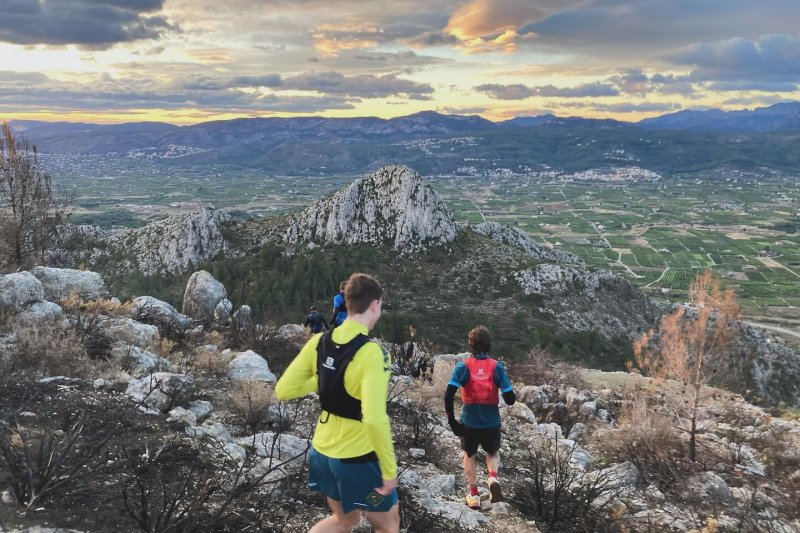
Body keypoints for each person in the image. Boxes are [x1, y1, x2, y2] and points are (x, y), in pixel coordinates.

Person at [276, 273, 399, 533]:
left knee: (345, 520)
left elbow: (284, 390)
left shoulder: (319, 342)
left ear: (347, 302)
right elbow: (375, 418)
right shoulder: (372, 353)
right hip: (358, 459)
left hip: (322, 454)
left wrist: (328, 380)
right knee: (388, 526)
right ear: (376, 304)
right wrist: (389, 472)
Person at [444, 325, 516, 510]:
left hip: (470, 420)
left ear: (471, 344)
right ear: (489, 344)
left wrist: (452, 421)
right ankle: (492, 477)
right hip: (491, 421)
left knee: (469, 455)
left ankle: (474, 495)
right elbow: (510, 400)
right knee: (492, 452)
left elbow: (448, 394)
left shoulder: (463, 366)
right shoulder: (496, 367)